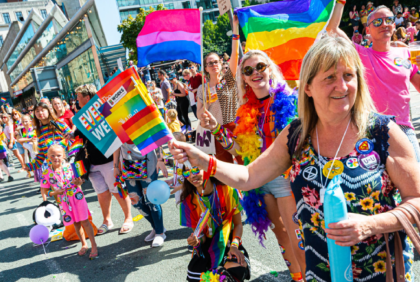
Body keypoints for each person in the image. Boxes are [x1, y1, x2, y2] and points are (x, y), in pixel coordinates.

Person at [170, 35, 420, 282]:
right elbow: (249, 175)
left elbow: (417, 202)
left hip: (380, 272)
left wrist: (372, 225)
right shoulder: (297, 134)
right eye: (330, 77)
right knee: (285, 238)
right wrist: (204, 160)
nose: (342, 86)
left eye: (348, 75)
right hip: (319, 274)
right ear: (308, 87)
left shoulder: (382, 131)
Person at [200, 49, 304, 281]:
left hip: (285, 177)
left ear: (269, 68)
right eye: (248, 70)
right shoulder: (245, 110)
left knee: (297, 235)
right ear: (244, 78)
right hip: (260, 178)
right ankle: (298, 278)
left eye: (260, 67)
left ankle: (309, 277)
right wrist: (217, 128)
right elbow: (238, 149)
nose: (256, 73)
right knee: (282, 236)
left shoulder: (290, 99)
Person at [327, 3, 420, 162]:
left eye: (388, 20)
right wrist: (340, 3)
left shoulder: (405, 52)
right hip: (371, 129)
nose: (384, 24)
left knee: (415, 179)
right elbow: (332, 29)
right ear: (368, 30)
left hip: (403, 128)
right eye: (377, 22)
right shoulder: (360, 53)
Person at [73, 84, 134, 235]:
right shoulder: (82, 115)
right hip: (91, 162)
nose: (76, 100)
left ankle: (128, 218)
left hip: (108, 160)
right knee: (101, 192)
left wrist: (116, 164)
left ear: (87, 98)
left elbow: (115, 137)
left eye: (79, 97)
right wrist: (72, 136)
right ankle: (107, 220)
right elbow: (80, 138)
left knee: (117, 190)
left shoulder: (103, 112)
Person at [181, 167, 250, 282]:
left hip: (229, 243)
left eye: (196, 170)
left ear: (207, 168)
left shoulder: (229, 190)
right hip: (207, 248)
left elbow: (238, 224)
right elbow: (201, 236)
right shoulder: (188, 202)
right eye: (186, 172)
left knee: (236, 270)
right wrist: (196, 240)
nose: (192, 176)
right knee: (199, 276)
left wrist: (234, 246)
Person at [196, 16, 241, 164]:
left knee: (244, 163)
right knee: (225, 169)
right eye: (209, 63)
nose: (213, 64)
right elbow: (199, 114)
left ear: (221, 63)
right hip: (217, 130)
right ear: (206, 68)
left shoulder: (228, 79)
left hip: (236, 127)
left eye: (216, 61)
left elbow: (235, 54)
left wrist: (235, 28)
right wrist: (207, 104)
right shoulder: (203, 89)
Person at [41, 144, 98, 259]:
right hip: (63, 201)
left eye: (58, 155)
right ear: (48, 156)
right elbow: (44, 191)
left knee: (85, 221)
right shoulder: (45, 173)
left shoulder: (73, 166)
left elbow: (82, 180)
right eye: (52, 155)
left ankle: (94, 245)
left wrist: (79, 182)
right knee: (76, 223)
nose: (56, 158)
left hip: (77, 197)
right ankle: (84, 244)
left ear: (64, 156)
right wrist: (54, 193)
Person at [120, 142, 168, 247]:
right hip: (127, 161)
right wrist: (115, 166)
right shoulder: (116, 124)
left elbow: (155, 134)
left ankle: (160, 232)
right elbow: (115, 144)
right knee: (136, 202)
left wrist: (160, 159)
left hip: (148, 159)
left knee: (152, 199)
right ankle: (156, 227)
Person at [26, 102, 71, 201]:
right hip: (51, 169)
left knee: (73, 193)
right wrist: (30, 166)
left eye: (42, 110)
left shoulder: (59, 123)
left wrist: (68, 138)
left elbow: (72, 138)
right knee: (59, 198)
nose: (40, 113)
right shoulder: (39, 131)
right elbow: (42, 154)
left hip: (65, 165)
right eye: (37, 111)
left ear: (49, 111)